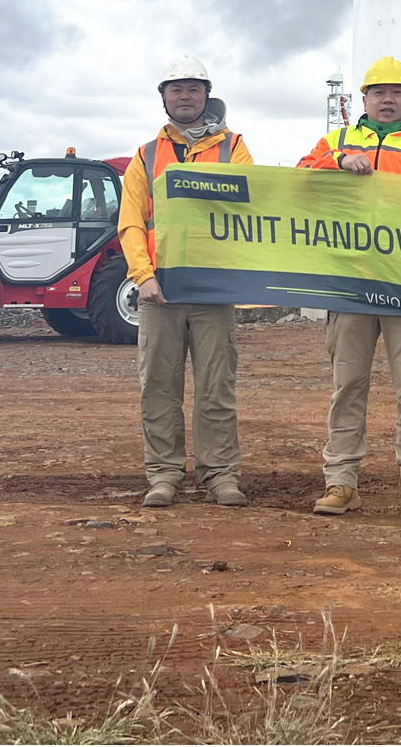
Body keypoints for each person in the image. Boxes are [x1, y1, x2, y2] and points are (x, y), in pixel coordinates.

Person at [297, 56, 401, 517]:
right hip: (350, 285)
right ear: (363, 99)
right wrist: (338, 161)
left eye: (397, 92)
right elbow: (298, 179)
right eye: (379, 92)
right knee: (348, 385)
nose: (388, 100)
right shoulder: (335, 142)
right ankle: (341, 480)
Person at [119, 56, 255, 509]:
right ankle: (163, 474)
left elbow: (251, 206)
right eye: (175, 88)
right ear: (163, 97)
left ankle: (220, 475)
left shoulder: (233, 147)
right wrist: (144, 276)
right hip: (160, 292)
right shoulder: (146, 155)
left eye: (193, 88)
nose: (184, 96)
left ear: (206, 94)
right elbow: (131, 223)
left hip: (213, 289)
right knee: (158, 387)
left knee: (217, 387)